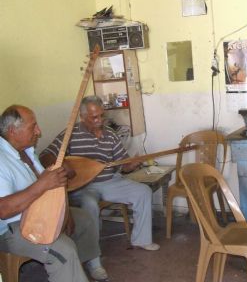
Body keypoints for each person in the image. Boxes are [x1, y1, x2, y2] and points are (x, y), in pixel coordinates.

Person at [0, 105, 109, 282]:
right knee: (63, 250)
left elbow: (49, 186)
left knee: (84, 219)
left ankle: (79, 277)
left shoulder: (27, 151)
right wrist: (42, 184)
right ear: (12, 131)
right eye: (33, 127)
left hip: (39, 212)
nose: (39, 131)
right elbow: (3, 210)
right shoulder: (1, 160)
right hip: (12, 229)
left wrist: (65, 211)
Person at [40, 96, 159, 251]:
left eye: (102, 115)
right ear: (82, 117)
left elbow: (124, 165)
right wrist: (62, 164)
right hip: (82, 186)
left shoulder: (110, 134)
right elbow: (45, 155)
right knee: (89, 204)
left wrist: (132, 163)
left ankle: (141, 240)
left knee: (143, 192)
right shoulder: (70, 134)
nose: (100, 120)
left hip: (110, 181)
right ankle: (92, 254)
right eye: (94, 117)